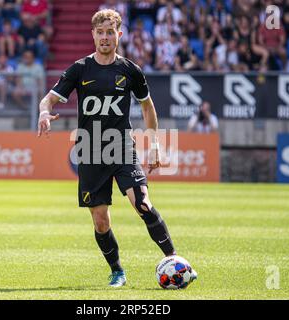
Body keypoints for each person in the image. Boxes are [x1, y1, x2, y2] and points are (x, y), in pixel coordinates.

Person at [37, 9, 197, 287]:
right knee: (100, 221)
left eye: (110, 32)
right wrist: (42, 113)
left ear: (119, 35)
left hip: (121, 146)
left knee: (143, 204)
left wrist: (155, 145)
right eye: (100, 32)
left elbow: (148, 107)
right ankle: (117, 271)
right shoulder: (79, 69)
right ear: (93, 35)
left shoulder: (130, 70)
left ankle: (176, 261)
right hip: (89, 150)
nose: (105, 37)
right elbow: (48, 100)